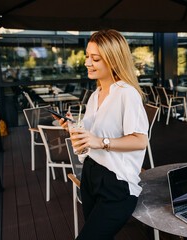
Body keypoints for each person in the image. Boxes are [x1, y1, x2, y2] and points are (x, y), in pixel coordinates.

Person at [58, 29, 149, 240]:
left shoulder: (127, 94)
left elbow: (140, 140)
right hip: (90, 173)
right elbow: (90, 136)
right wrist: (72, 127)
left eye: (95, 58)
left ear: (114, 60)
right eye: (87, 56)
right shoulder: (95, 95)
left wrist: (100, 142)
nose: (87, 63)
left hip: (116, 183)